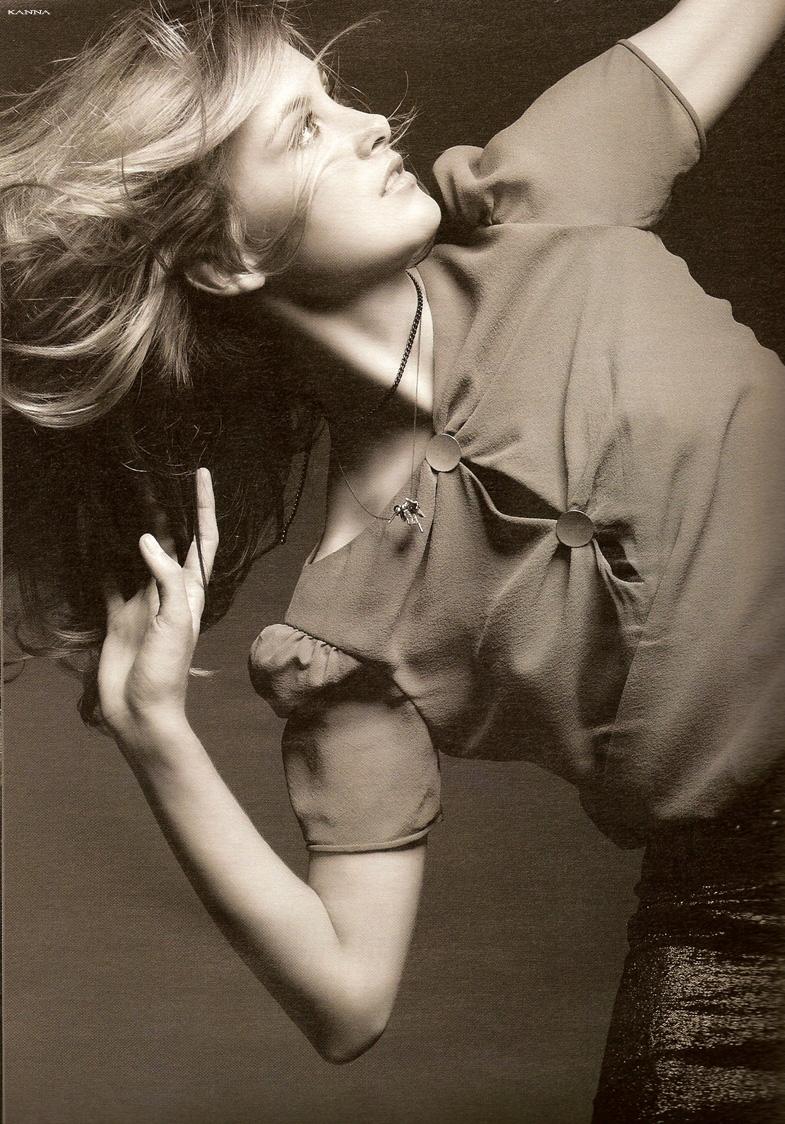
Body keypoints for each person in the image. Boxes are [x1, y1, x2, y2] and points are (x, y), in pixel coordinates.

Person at [3, 0, 784, 1118]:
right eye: (302, 127)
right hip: (740, 937)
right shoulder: (344, 630)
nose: (369, 122)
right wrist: (155, 732)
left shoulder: (549, 193)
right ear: (224, 259)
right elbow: (347, 1001)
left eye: (334, 94)